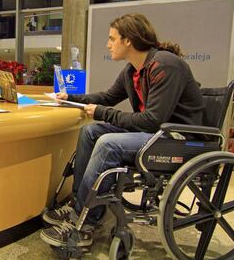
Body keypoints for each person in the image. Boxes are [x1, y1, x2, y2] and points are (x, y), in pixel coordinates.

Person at [40, 13, 204, 247]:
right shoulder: (132, 70)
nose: (108, 44)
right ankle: (79, 201)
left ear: (128, 40)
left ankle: (85, 223)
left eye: (111, 38)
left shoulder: (165, 65)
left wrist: (101, 111)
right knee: (91, 132)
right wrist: (70, 98)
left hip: (178, 138)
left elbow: (151, 120)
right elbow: (107, 98)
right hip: (157, 134)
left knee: (109, 143)